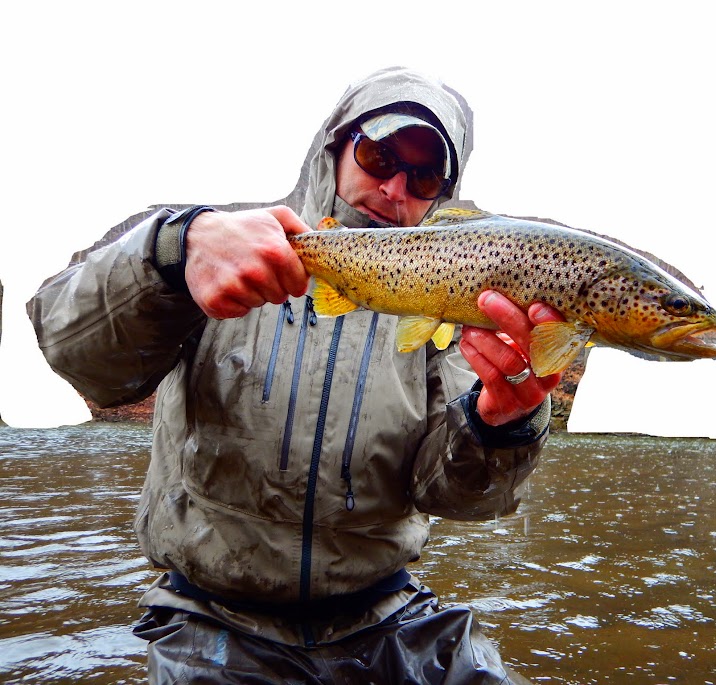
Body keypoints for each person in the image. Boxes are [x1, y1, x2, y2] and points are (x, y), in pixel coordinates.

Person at [29, 66, 563, 684]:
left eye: (423, 177)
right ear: (334, 149)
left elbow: (451, 496)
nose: (395, 189)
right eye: (379, 156)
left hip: (387, 612)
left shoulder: (450, 312)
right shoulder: (221, 247)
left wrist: (501, 425)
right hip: (212, 616)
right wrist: (172, 251)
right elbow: (75, 352)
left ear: (444, 194)